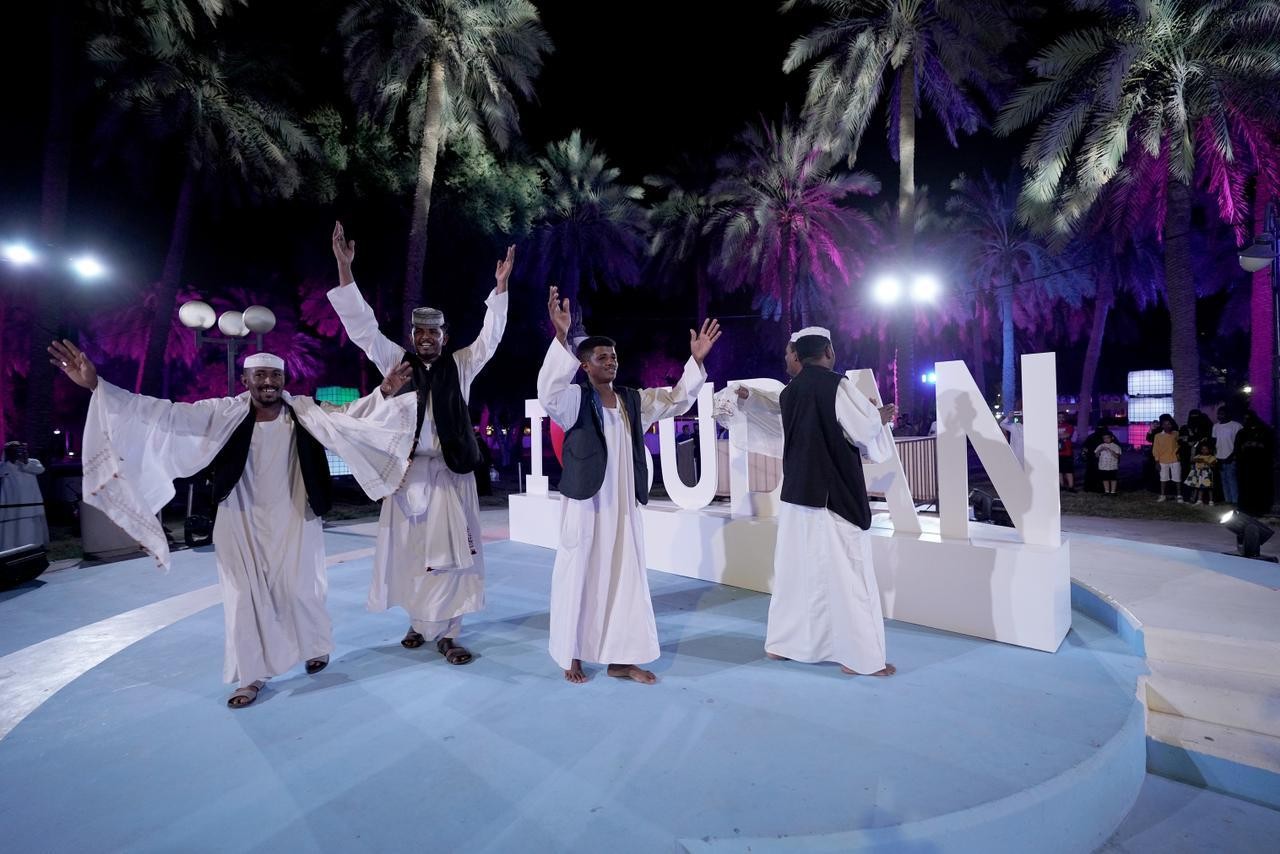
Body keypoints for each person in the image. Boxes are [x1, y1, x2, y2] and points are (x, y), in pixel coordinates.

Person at [49, 339, 416, 708]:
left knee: (302, 590)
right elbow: (164, 413)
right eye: (260, 375)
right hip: (239, 518)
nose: (268, 381)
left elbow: (349, 417)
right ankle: (250, 675)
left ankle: (314, 646)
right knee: (242, 598)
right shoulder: (222, 413)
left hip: (296, 517)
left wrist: (384, 391)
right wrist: (98, 385)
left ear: (284, 380)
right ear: (245, 380)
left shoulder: (306, 412)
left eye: (275, 375)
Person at [327, 222, 514, 664]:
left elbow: (490, 338)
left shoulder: (461, 364)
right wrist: (345, 270)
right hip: (408, 477)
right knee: (412, 555)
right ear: (412, 337)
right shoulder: (397, 363)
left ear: (445, 337)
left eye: (434, 333)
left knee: (453, 557)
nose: (426, 339)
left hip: (451, 475)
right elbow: (363, 330)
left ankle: (449, 634)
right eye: (420, 333)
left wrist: (500, 288)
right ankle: (416, 622)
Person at [537, 286, 721, 684]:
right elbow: (547, 392)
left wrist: (695, 361)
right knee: (579, 574)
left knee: (626, 579)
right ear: (584, 366)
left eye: (614, 357)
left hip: (622, 508)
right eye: (602, 357)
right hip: (587, 505)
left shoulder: (632, 401)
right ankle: (572, 654)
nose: (611, 362)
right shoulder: (573, 400)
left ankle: (622, 659)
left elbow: (676, 400)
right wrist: (561, 336)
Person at [765, 328, 898, 677]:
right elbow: (864, 432)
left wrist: (871, 418)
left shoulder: (789, 392)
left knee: (795, 575)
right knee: (851, 576)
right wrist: (879, 418)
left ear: (799, 355)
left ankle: (783, 645)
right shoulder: (837, 385)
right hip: (832, 498)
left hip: (796, 496)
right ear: (828, 351)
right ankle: (862, 658)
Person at [0, 441, 49, 551]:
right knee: (11, 531)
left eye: (19, 449)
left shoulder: (33, 462)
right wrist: (10, 460)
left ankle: (33, 550)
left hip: (30, 506)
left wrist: (25, 461)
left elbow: (40, 470)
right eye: (14, 450)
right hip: (11, 507)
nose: (17, 452)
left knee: (29, 530)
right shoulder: (4, 465)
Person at [1236, 411, 1275, 516]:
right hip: (1245, 466)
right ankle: (1246, 509)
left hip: (1260, 466)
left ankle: (1260, 509)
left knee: (1259, 488)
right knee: (1246, 488)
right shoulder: (1242, 432)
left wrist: (1256, 445)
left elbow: (1269, 448)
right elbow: (1238, 448)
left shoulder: (1264, 431)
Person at [1212, 405, 1243, 505]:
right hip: (1219, 457)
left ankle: (1235, 501)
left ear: (1228, 414)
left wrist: (1233, 455)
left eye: (1222, 413)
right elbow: (1214, 441)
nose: (1220, 415)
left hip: (1231, 457)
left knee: (1232, 479)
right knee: (1224, 480)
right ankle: (1227, 500)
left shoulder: (1236, 426)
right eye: (1218, 414)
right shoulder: (1216, 426)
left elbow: (1239, 443)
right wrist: (1215, 456)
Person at [1152, 415, 1183, 503]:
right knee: (1163, 478)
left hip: (1175, 460)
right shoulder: (1158, 436)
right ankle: (1162, 495)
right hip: (1162, 460)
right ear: (1162, 426)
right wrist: (1157, 461)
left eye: (1169, 424)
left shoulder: (1176, 434)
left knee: (1177, 478)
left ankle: (1179, 495)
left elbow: (1180, 444)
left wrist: (1178, 453)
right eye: (1165, 424)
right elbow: (1155, 449)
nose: (1167, 426)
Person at [1184, 440, 1216, 506]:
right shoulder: (1198, 456)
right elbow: (1192, 460)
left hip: (1207, 474)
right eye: (1202, 449)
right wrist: (1197, 459)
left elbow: (1213, 465)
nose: (1204, 451)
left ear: (1209, 450)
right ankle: (1199, 500)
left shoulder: (1211, 457)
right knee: (1199, 487)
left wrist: (1204, 461)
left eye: (1206, 449)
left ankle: (1211, 500)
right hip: (1198, 474)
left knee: (1209, 487)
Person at [1057, 413, 1076, 490]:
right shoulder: (1053, 425)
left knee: (1069, 470)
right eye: (1059, 417)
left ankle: (1071, 486)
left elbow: (1067, 435)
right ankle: (1061, 485)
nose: (1061, 418)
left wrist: (1056, 436)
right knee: (1059, 470)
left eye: (1062, 417)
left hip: (1067, 452)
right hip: (1057, 452)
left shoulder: (1069, 426)